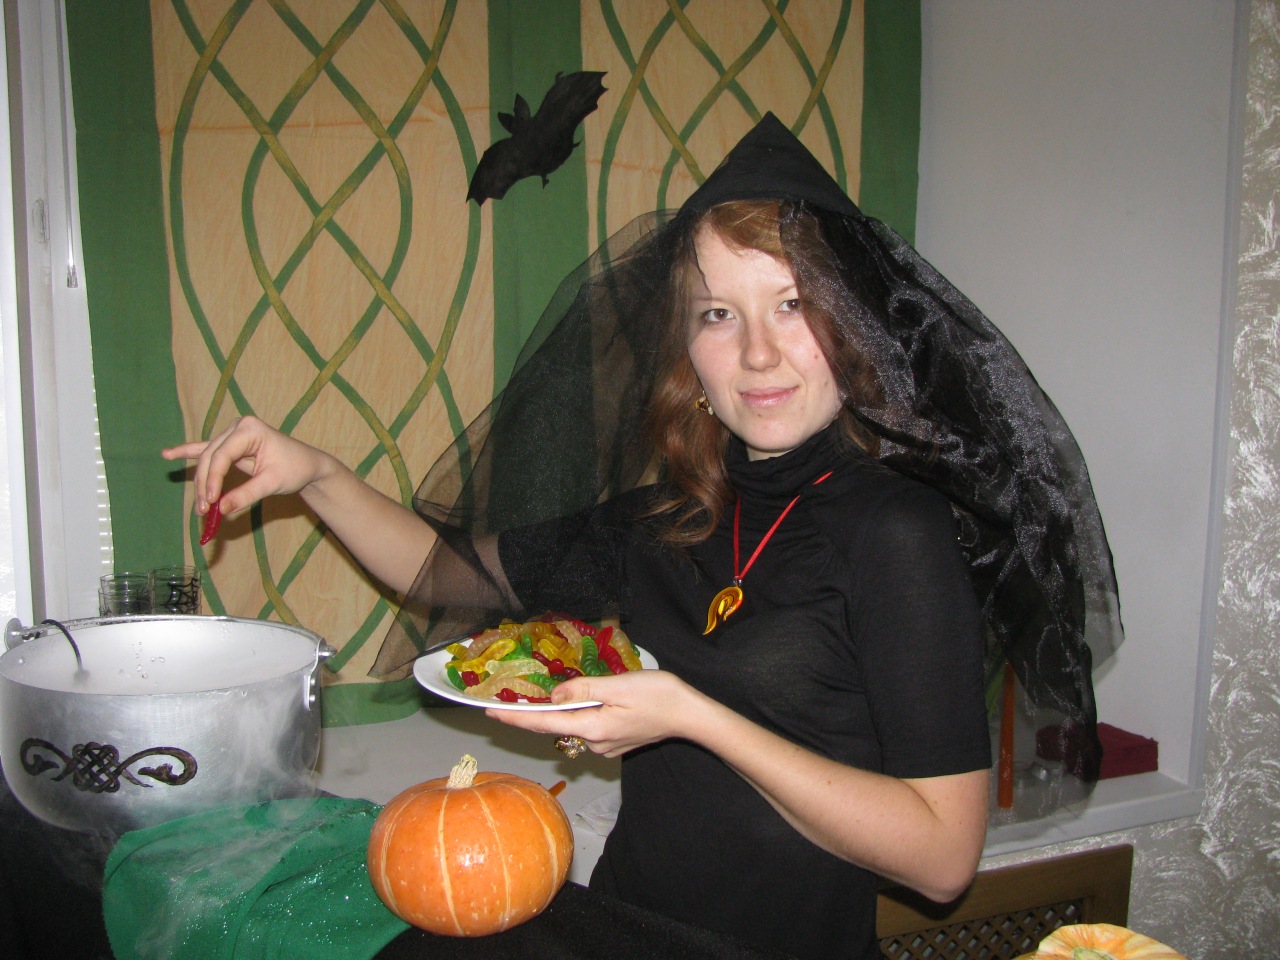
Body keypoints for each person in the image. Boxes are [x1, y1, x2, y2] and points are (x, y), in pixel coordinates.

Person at [164, 115, 1121, 960]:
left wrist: (692, 716)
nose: (757, 352)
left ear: (853, 326)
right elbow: (437, 569)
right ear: (688, 352)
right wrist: (319, 477)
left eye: (793, 304)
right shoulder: (669, 515)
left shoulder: (896, 530)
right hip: (626, 929)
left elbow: (942, 857)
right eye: (719, 314)